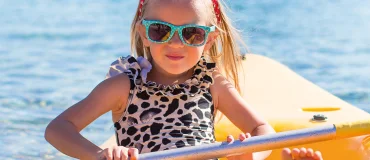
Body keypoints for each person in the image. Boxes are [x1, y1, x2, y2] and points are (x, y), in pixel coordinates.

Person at [44, 0, 323, 159]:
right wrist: (99, 155)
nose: (175, 43)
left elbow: (261, 127)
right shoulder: (124, 85)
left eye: (191, 34)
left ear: (210, 39)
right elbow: (58, 129)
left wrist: (250, 152)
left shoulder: (211, 83)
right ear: (143, 33)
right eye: (161, 30)